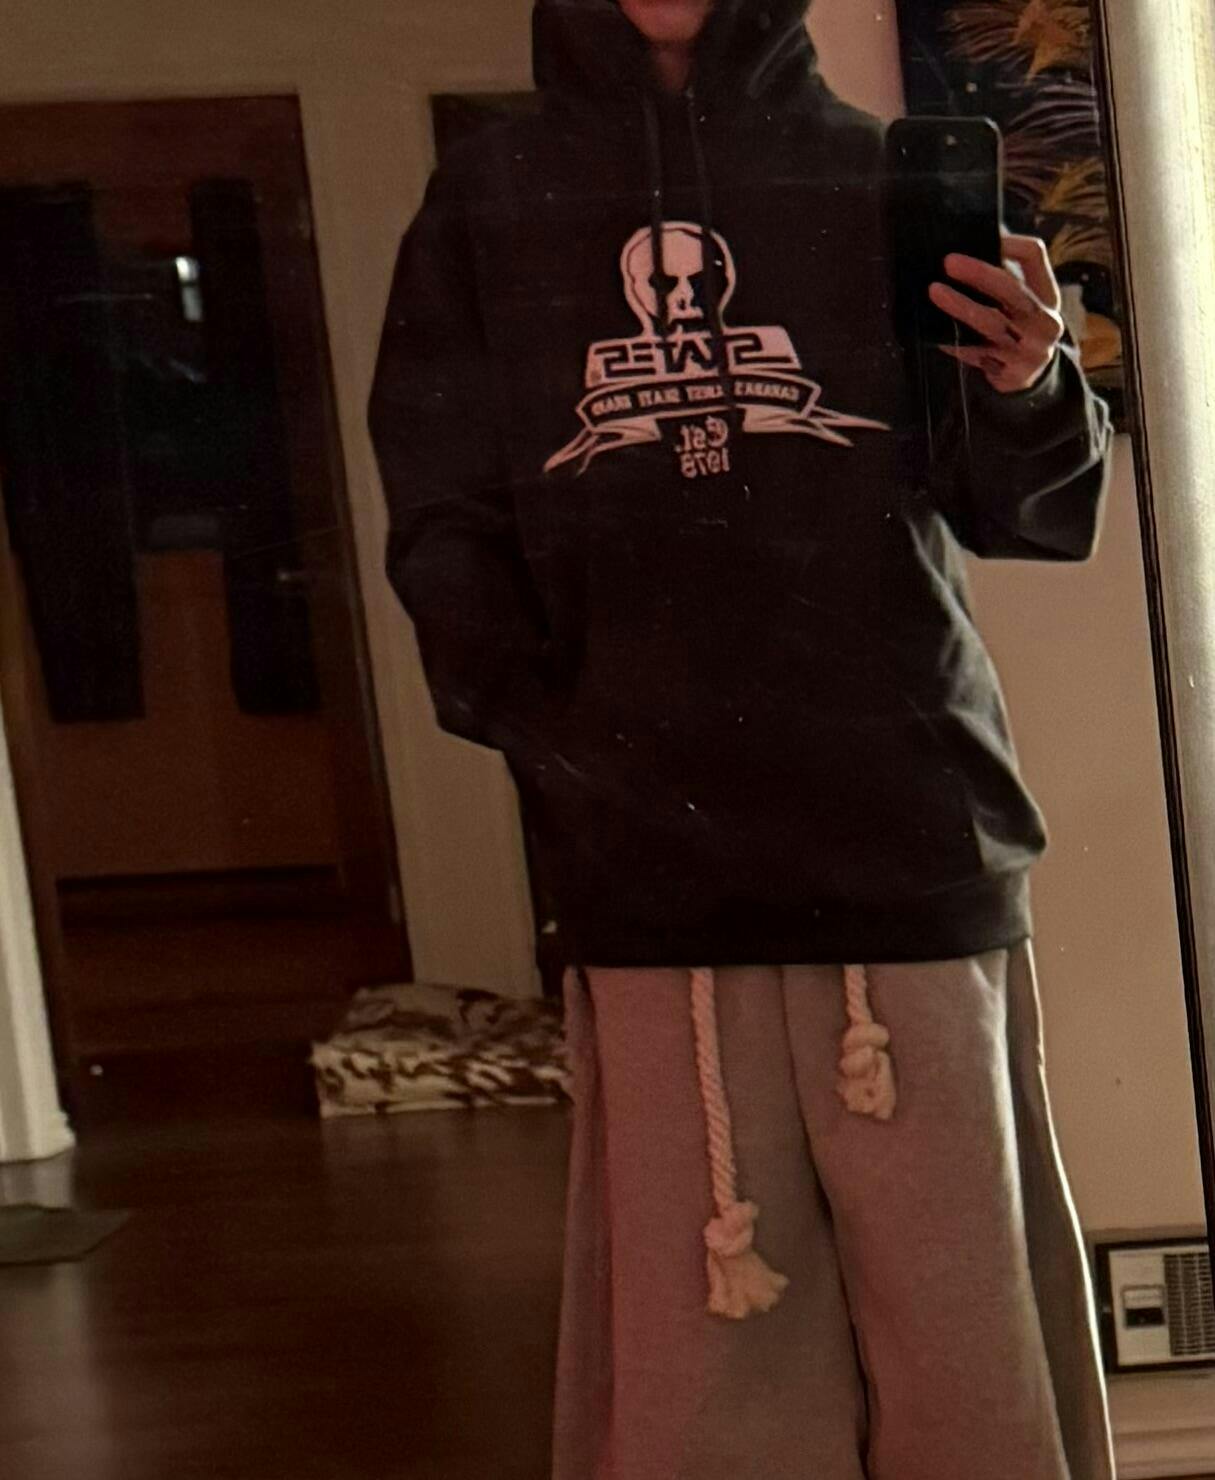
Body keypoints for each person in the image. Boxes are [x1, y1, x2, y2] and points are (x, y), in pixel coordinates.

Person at [369, 1, 1116, 1475]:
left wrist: (1032, 385)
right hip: (650, 861)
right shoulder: (487, 199)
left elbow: (1023, 514)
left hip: (908, 834)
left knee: (968, 1351)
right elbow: (441, 515)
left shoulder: (884, 175)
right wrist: (561, 738)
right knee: (702, 1374)